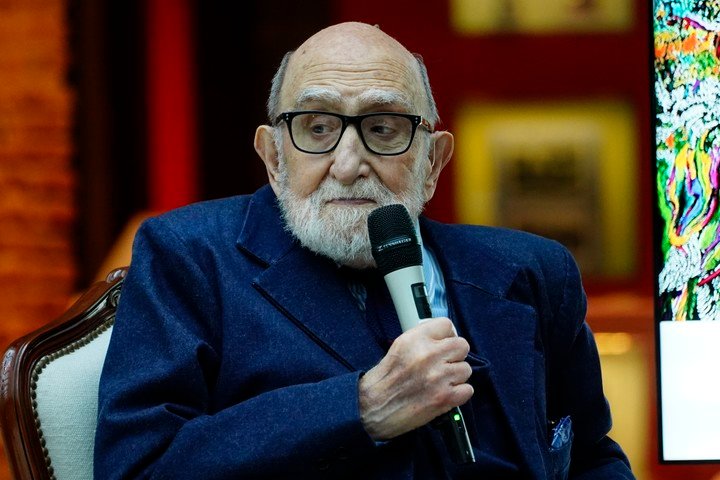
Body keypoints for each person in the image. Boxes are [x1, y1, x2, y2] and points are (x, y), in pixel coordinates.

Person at [94, 22, 635, 479]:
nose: (349, 163)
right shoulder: (189, 256)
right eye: (318, 127)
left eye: (383, 128)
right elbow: (138, 466)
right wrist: (363, 406)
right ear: (273, 158)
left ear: (433, 163)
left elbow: (591, 458)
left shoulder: (535, 271)